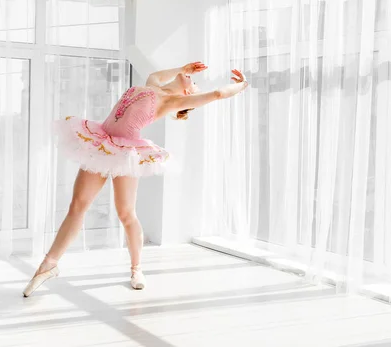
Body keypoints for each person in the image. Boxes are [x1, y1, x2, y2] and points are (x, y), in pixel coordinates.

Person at [23, 62, 248, 296]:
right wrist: (182, 68)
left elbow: (219, 93)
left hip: (125, 154)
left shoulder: (172, 102)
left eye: (194, 82)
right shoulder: (151, 85)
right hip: (101, 143)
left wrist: (243, 84)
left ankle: (137, 268)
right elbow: (155, 75)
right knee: (77, 205)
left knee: (126, 213)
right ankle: (48, 265)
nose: (192, 78)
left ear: (188, 93)